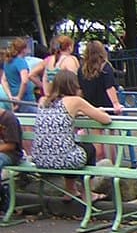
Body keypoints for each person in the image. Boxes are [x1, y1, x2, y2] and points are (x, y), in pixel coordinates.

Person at [32, 70, 112, 200]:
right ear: (73, 85)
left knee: (71, 148)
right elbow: (105, 119)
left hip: (40, 159)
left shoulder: (43, 100)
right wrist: (99, 111)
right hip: (63, 159)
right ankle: (88, 193)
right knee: (89, 149)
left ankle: (70, 191)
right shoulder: (74, 101)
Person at [30, 35, 80, 100]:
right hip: (65, 99)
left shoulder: (49, 60)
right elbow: (74, 81)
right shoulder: (70, 60)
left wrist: (42, 87)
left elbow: (31, 75)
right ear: (69, 47)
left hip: (49, 98)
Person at [3, 38, 35, 110]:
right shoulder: (21, 61)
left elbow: (3, 80)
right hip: (25, 99)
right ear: (23, 49)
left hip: (13, 97)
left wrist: (9, 96)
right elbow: (24, 80)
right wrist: (19, 97)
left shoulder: (7, 62)